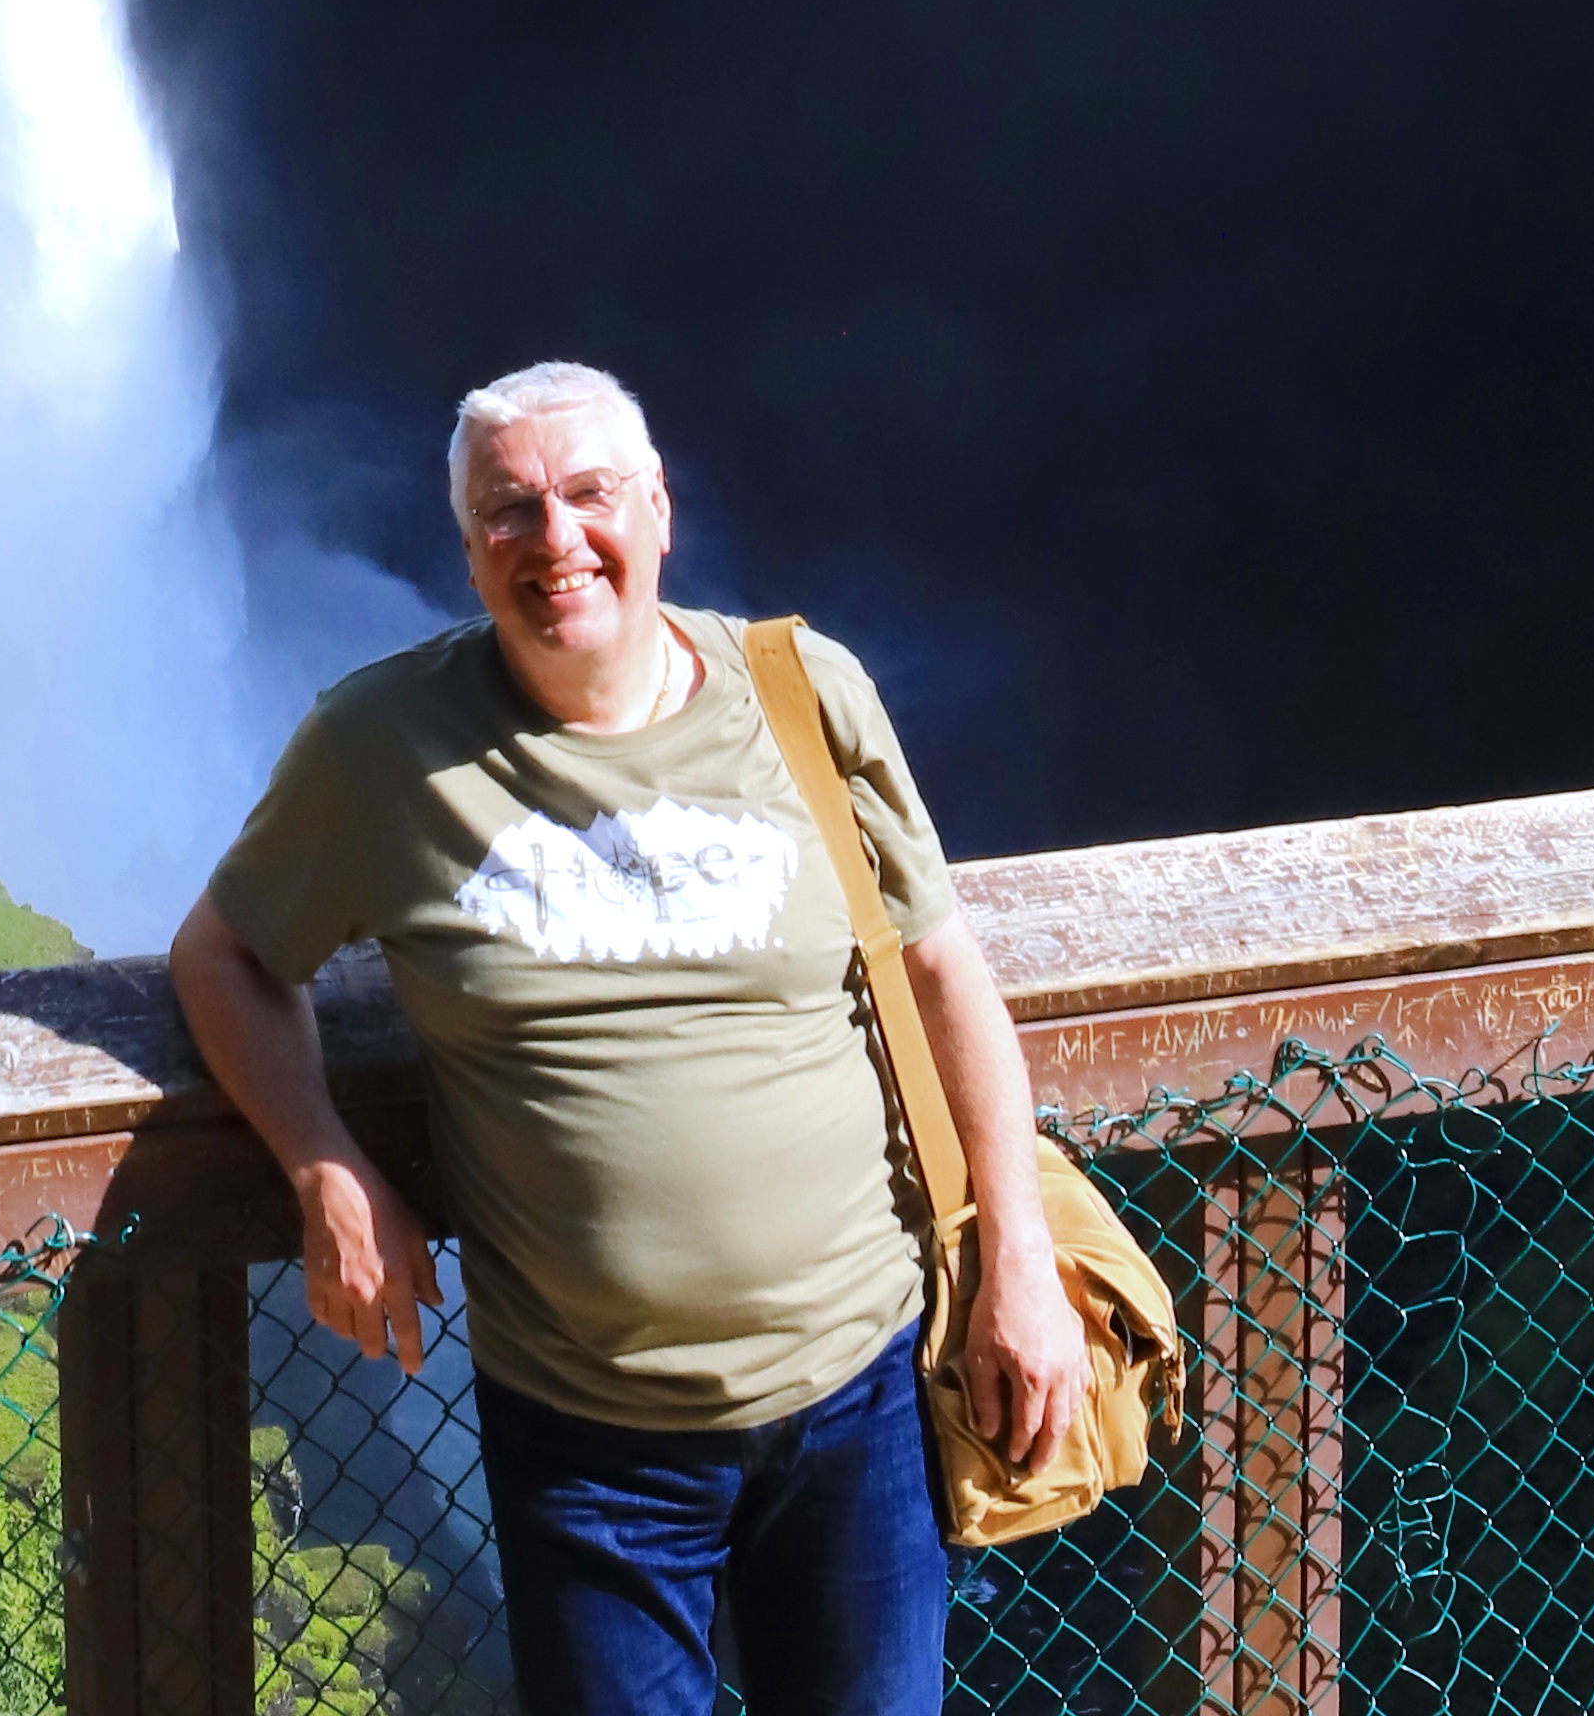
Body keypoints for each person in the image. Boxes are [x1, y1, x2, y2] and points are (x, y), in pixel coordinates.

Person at [168, 360, 1091, 1716]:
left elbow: (944, 971)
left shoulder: (800, 693)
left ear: (658, 511)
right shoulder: (379, 748)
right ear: (468, 548)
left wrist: (1018, 1269)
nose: (553, 542)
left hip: (859, 1396)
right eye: (507, 511)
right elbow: (228, 953)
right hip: (589, 1444)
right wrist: (321, 1161)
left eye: (588, 495)